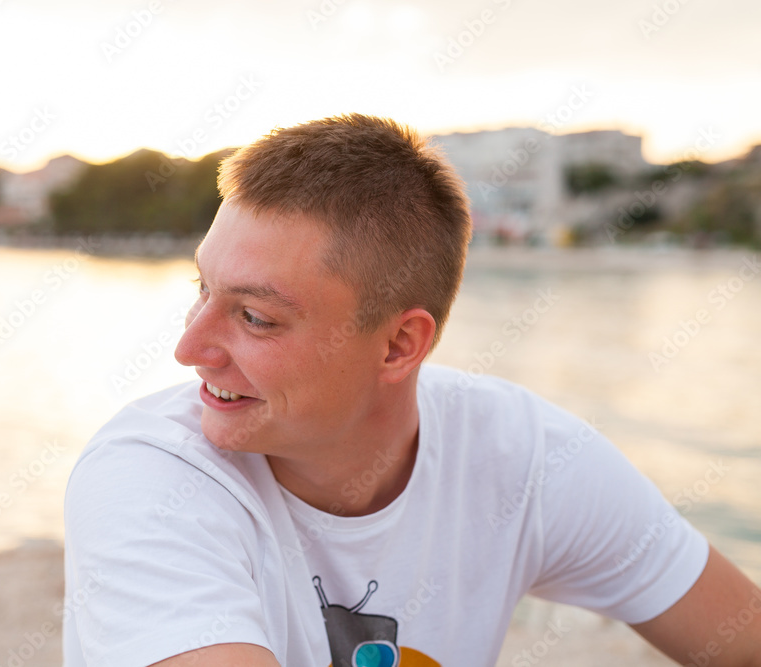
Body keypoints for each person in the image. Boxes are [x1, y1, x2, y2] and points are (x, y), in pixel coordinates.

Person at [62, 114, 761, 667]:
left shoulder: (526, 457)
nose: (188, 347)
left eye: (254, 316)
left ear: (400, 345)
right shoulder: (148, 476)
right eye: (201, 289)